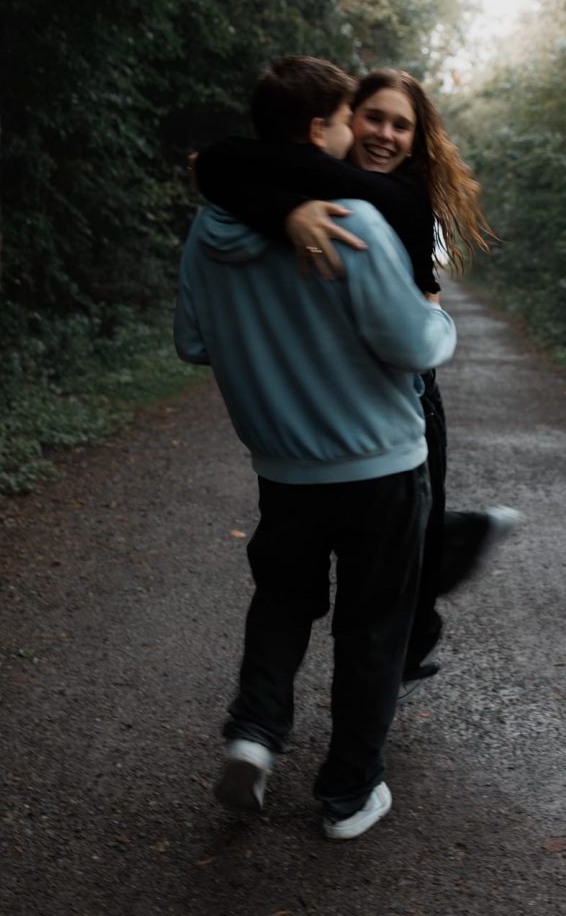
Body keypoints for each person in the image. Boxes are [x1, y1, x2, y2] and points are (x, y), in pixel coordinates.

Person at [175, 56, 456, 840]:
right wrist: (442, 321)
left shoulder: (209, 228)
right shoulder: (357, 221)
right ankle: (347, 793)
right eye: (347, 120)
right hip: (380, 466)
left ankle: (254, 737)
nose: (357, 134)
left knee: (282, 602)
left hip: (284, 468)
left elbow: (194, 342)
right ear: (317, 128)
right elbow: (412, 345)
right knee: (373, 625)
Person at [194, 69, 519, 683]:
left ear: (417, 140)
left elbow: (222, 165)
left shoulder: (403, 199)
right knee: (368, 538)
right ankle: (439, 573)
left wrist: (280, 202)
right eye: (372, 117)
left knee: (409, 528)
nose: (384, 134)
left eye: (402, 125)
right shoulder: (306, 176)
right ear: (341, 122)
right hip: (328, 393)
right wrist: (288, 212)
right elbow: (220, 164)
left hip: (409, 384)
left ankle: (411, 637)